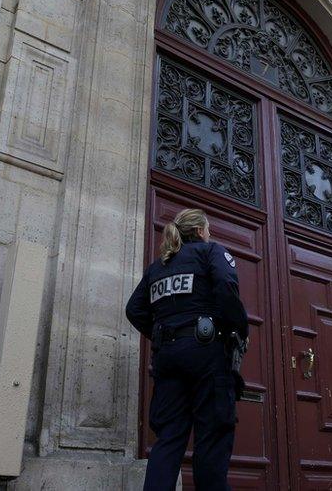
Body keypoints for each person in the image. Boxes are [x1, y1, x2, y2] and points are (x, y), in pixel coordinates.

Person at [126, 208, 249, 491]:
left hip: (168, 357)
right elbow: (227, 287)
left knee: (168, 440)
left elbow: (134, 310)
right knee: (212, 438)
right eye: (208, 229)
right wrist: (238, 330)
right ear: (199, 231)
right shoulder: (210, 252)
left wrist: (162, 335)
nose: (210, 234)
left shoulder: (157, 267)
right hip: (207, 355)